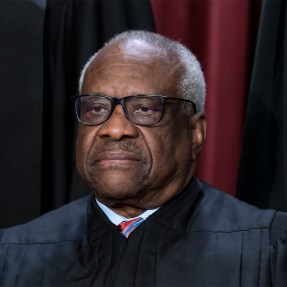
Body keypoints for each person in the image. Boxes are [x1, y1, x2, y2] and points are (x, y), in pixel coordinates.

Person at [0, 30, 286, 286]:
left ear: (194, 132)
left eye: (145, 109)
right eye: (96, 109)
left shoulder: (266, 251)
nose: (114, 129)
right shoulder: (15, 255)